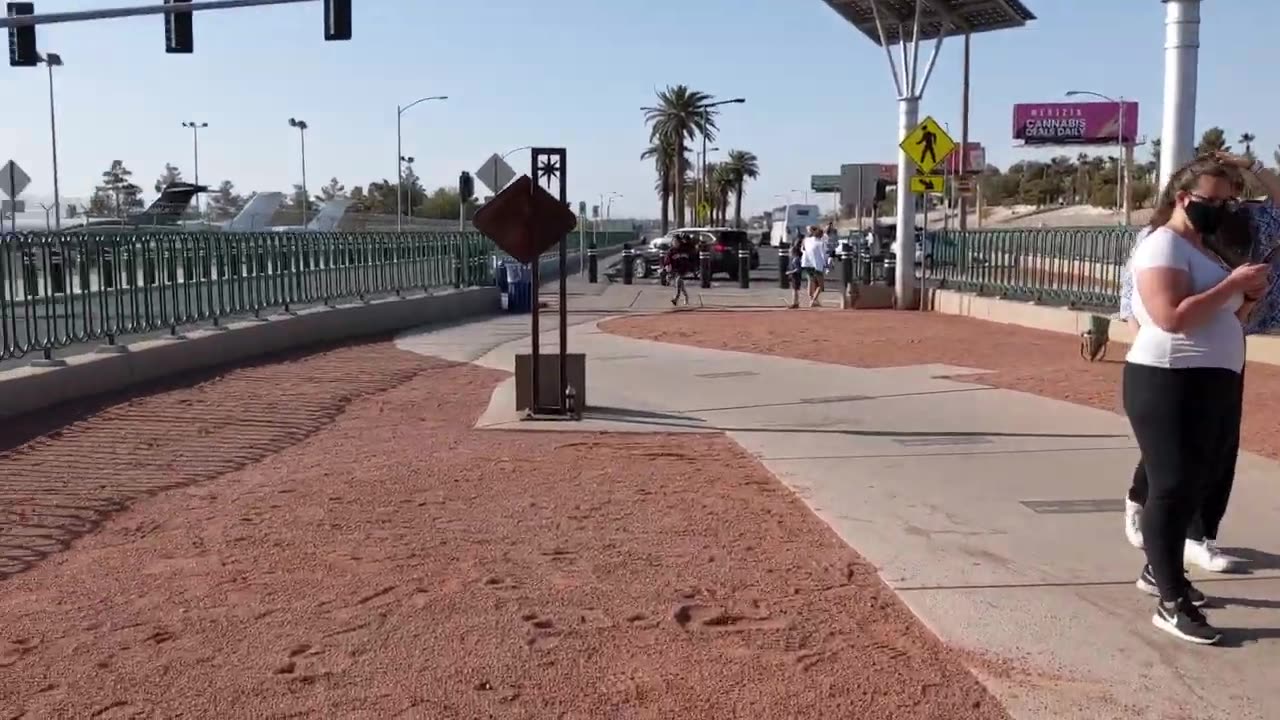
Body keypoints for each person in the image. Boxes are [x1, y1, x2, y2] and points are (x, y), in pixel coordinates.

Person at [1122, 157, 1270, 644]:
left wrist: (1246, 298)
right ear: (1183, 199)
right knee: (1172, 487)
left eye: (1228, 200)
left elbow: (1229, 319)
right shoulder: (1161, 244)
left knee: (1196, 483)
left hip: (1212, 379)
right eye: (1213, 200)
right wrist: (1231, 285)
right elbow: (1169, 317)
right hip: (1168, 377)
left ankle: (1158, 572)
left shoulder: (1204, 250)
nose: (1222, 209)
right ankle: (1171, 600)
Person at [665, 233, 698, 307]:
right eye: (673, 242)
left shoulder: (684, 248)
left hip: (683, 267)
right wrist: (667, 266)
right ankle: (686, 297)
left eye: (676, 242)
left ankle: (676, 298)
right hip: (675, 268)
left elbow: (690, 255)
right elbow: (667, 260)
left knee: (678, 280)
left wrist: (681, 255)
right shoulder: (671, 251)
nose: (675, 243)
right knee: (680, 284)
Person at [800, 226, 829, 307]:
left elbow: (802, 249)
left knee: (810, 281)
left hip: (807, 263)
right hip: (817, 265)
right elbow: (824, 255)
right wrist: (826, 265)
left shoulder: (807, 240)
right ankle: (813, 300)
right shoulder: (820, 243)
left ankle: (811, 298)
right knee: (820, 285)